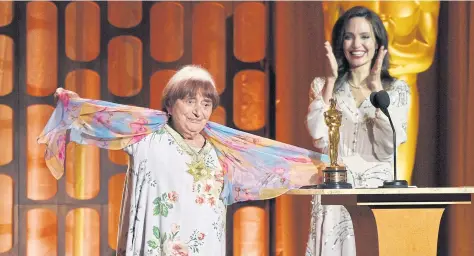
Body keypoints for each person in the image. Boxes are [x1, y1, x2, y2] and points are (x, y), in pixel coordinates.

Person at [37, 65, 328, 256]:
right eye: (190, 101)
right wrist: (74, 107)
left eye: (206, 104)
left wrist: (321, 169)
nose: (199, 112)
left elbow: (271, 168)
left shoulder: (221, 150)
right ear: (169, 103)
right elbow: (101, 122)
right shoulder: (146, 138)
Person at [305, 6, 410, 256]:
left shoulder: (397, 89)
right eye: (349, 36)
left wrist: (376, 91)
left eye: (365, 36)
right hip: (336, 195)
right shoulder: (322, 85)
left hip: (377, 195)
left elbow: (388, 148)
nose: (356, 44)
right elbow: (319, 136)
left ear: (378, 43)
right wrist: (331, 80)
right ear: (341, 42)